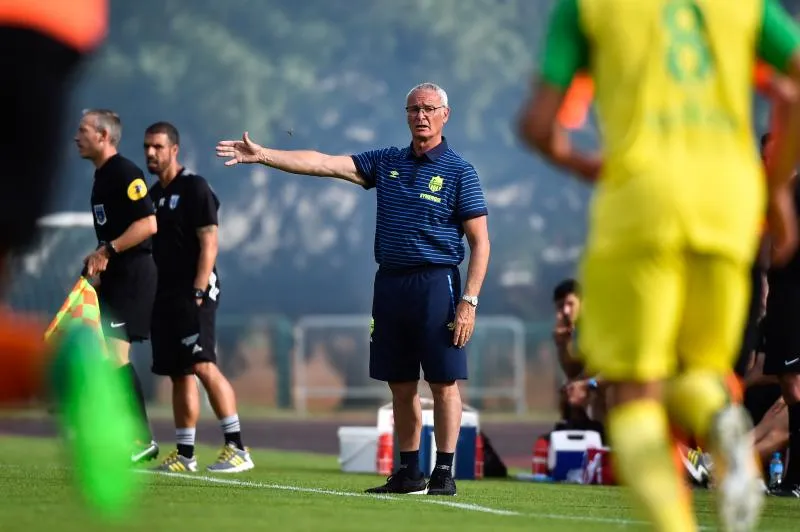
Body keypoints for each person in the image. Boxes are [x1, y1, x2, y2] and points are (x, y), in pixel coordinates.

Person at [516, 1, 800, 531]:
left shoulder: (586, 7)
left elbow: (537, 124)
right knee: (699, 371)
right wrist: (777, 192)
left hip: (643, 202)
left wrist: (586, 165)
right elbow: (792, 88)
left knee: (629, 395)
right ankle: (723, 428)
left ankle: (677, 522)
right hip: (728, 205)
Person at [216, 82, 490, 496]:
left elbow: (481, 243)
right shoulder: (386, 162)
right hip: (391, 283)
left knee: (443, 381)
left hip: (438, 283)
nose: (421, 116)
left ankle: (444, 472)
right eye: (413, 108)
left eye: (429, 109)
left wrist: (469, 300)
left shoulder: (459, 171)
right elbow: (323, 162)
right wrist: (265, 155)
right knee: (399, 382)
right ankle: (409, 471)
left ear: (445, 115)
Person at [144, 121, 254, 473]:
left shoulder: (194, 188)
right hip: (166, 294)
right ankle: (185, 455)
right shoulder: (152, 195)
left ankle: (237, 447)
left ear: (174, 149)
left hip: (196, 290)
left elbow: (210, 242)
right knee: (179, 372)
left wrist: (198, 288)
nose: (150, 153)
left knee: (203, 364)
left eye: (158, 146)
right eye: (147, 146)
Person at [76, 109, 160, 464]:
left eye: (83, 131)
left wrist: (107, 250)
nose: (76, 137)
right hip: (116, 276)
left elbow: (149, 224)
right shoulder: (102, 177)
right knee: (104, 356)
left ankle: (140, 438)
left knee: (115, 356)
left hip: (134, 276)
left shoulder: (125, 173)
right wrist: (99, 259)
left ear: (103, 136)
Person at [762, 130, 800, 496]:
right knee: (789, 388)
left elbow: (780, 250)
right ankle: (793, 477)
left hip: (793, 294)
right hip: (782, 296)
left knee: (794, 386)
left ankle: (796, 478)